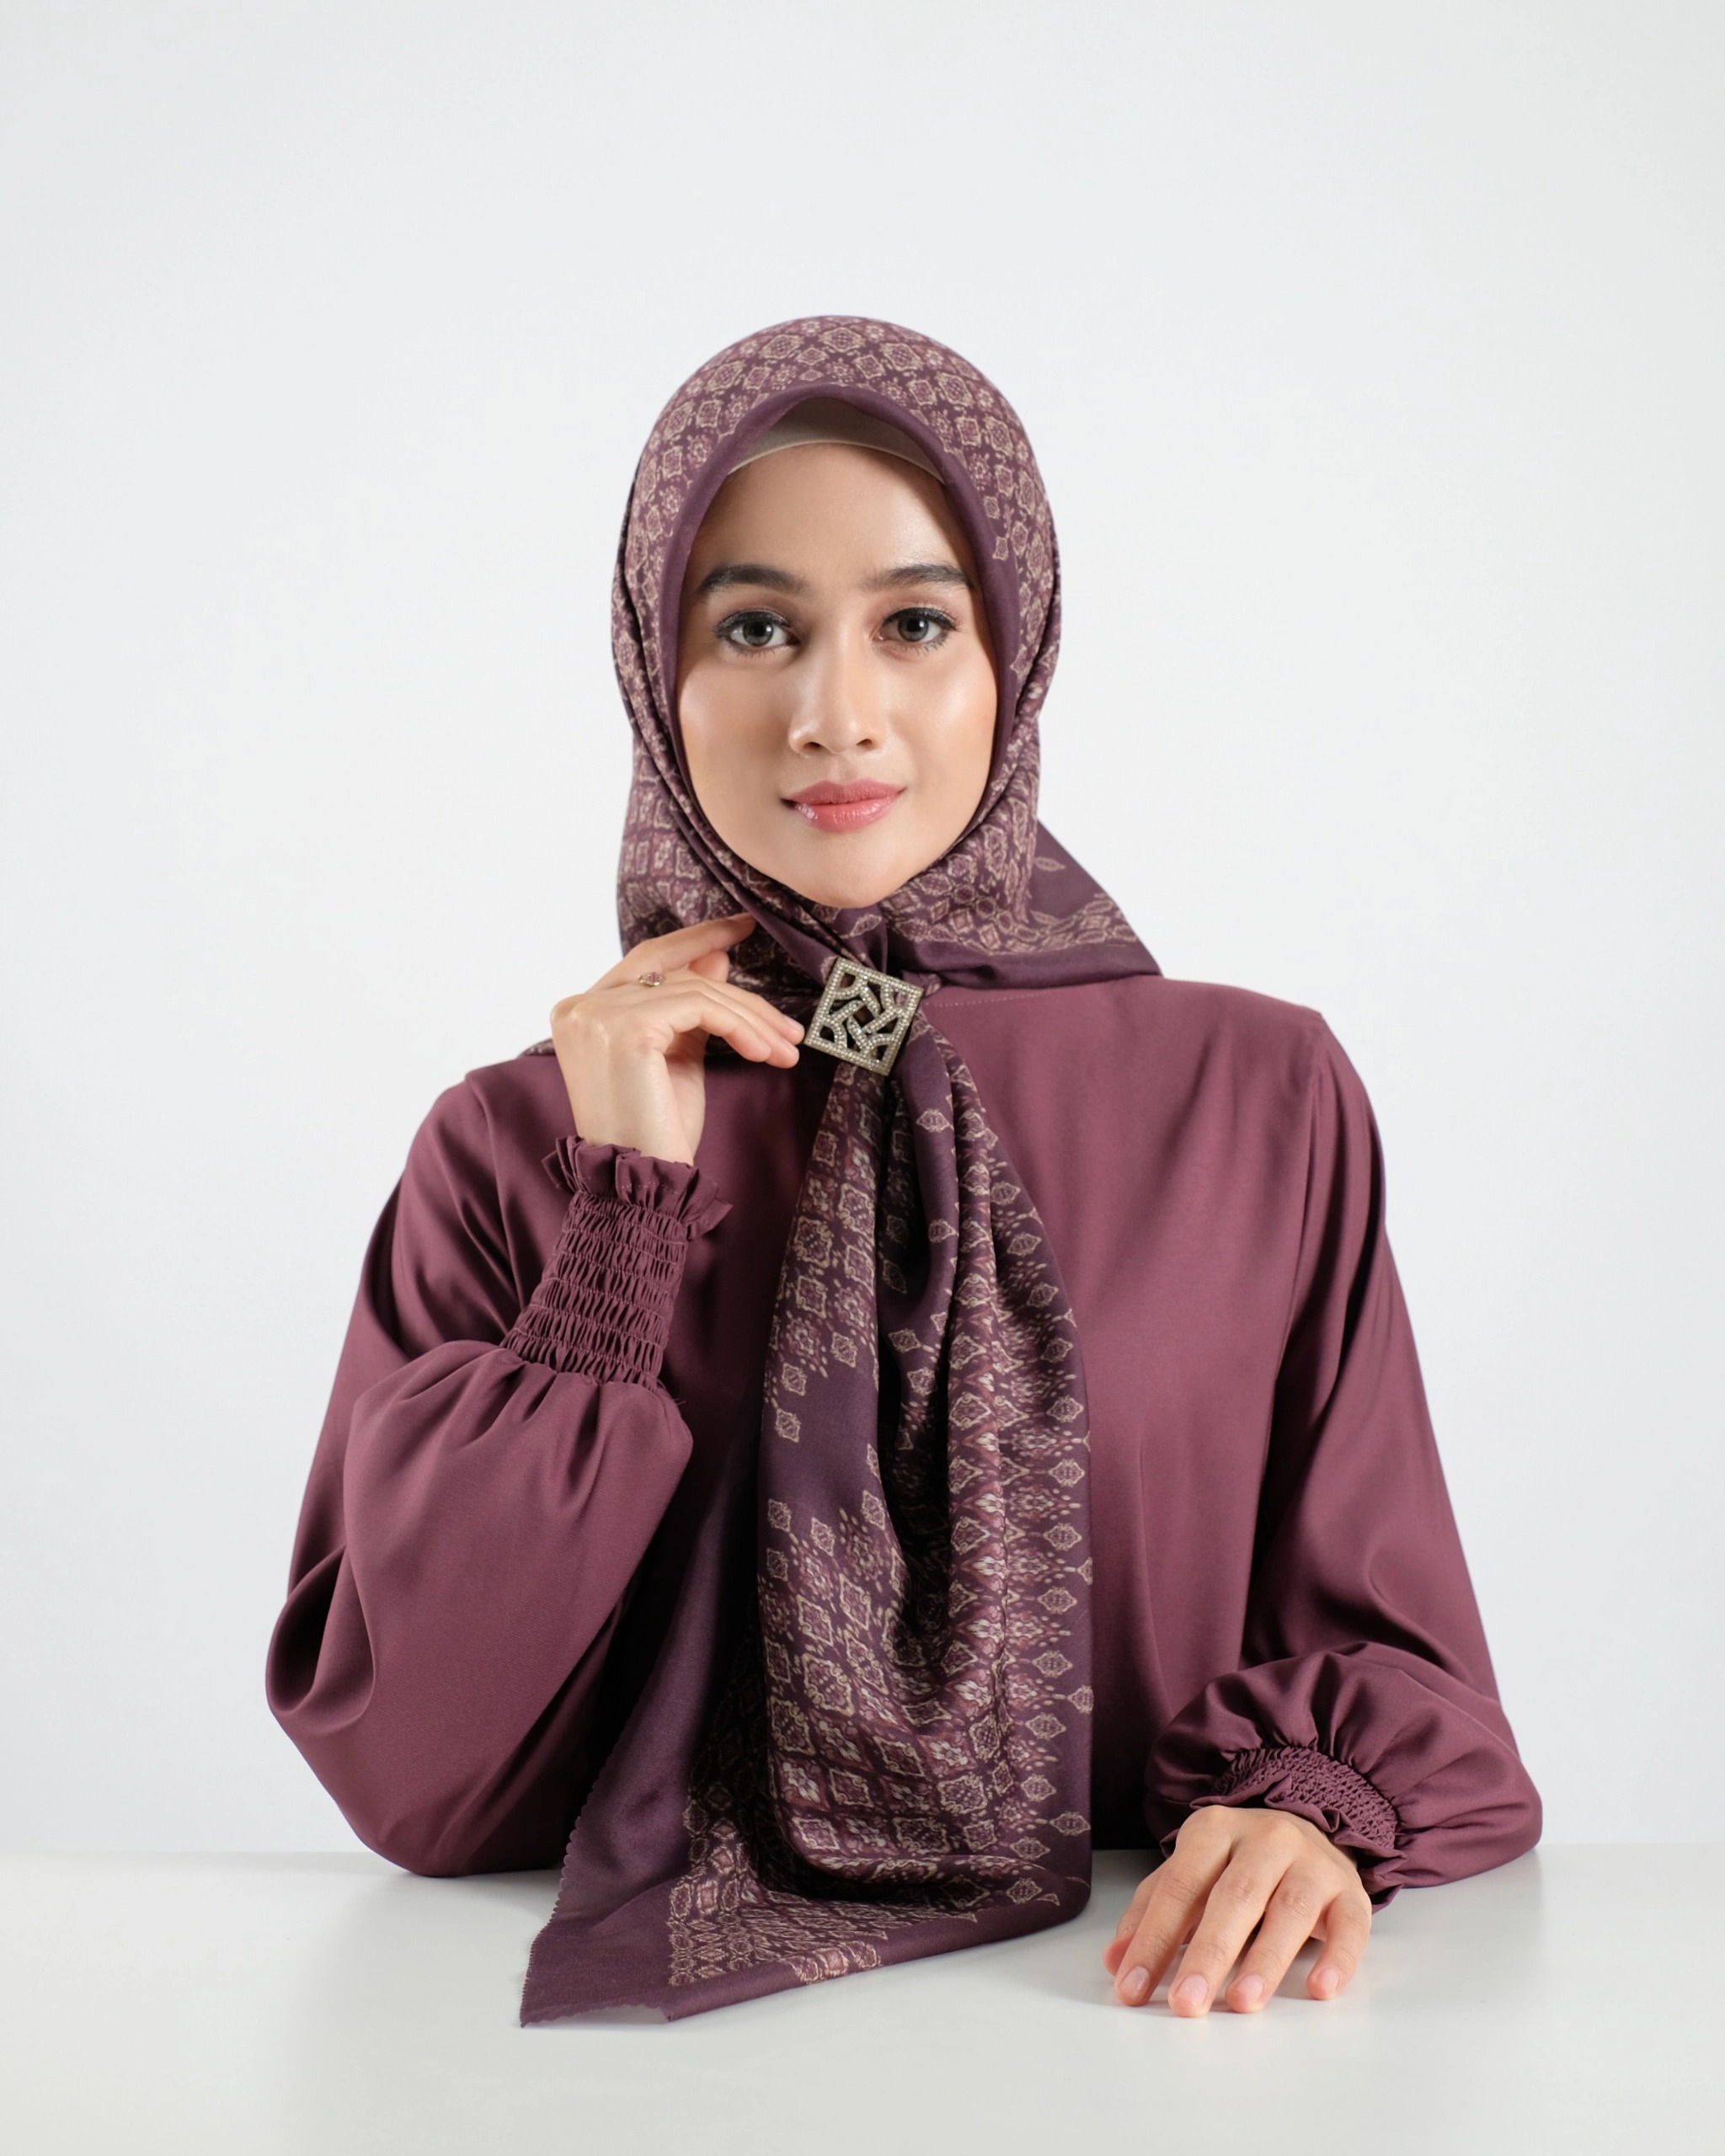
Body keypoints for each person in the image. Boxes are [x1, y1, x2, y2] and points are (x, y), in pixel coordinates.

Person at [266, 317, 1541, 2024]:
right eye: (755, 628)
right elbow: (423, 1786)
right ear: (655, 672)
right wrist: (620, 1228)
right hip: (640, 2109)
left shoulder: (1255, 1097)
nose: (834, 715)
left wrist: (1311, 1806)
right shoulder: (513, 1144)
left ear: (1016, 657)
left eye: (915, 624)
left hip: (1152, 2040)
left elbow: (1407, 1660)